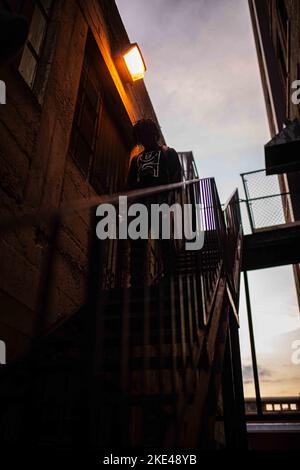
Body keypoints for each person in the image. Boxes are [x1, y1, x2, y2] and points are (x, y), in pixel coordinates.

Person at [127, 119, 182, 287]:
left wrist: (170, 201)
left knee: (165, 242)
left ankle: (171, 279)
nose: (143, 138)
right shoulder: (136, 160)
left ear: (154, 134)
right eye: (140, 135)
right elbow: (130, 185)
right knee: (137, 246)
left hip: (161, 203)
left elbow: (176, 180)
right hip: (140, 206)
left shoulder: (168, 153)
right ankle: (137, 283)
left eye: (146, 133)